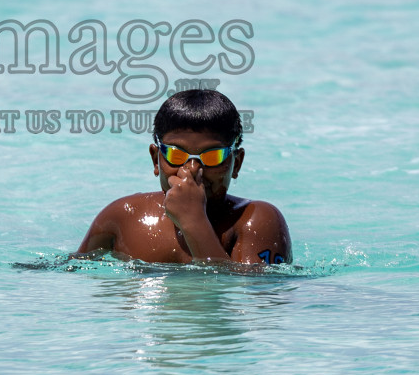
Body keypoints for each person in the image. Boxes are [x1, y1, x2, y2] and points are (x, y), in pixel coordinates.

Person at [76, 89, 292, 265]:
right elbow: (70, 279)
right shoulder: (122, 216)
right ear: (156, 159)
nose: (192, 169)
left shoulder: (257, 220)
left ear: (237, 163)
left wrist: (194, 222)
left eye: (212, 156)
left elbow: (256, 296)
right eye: (176, 155)